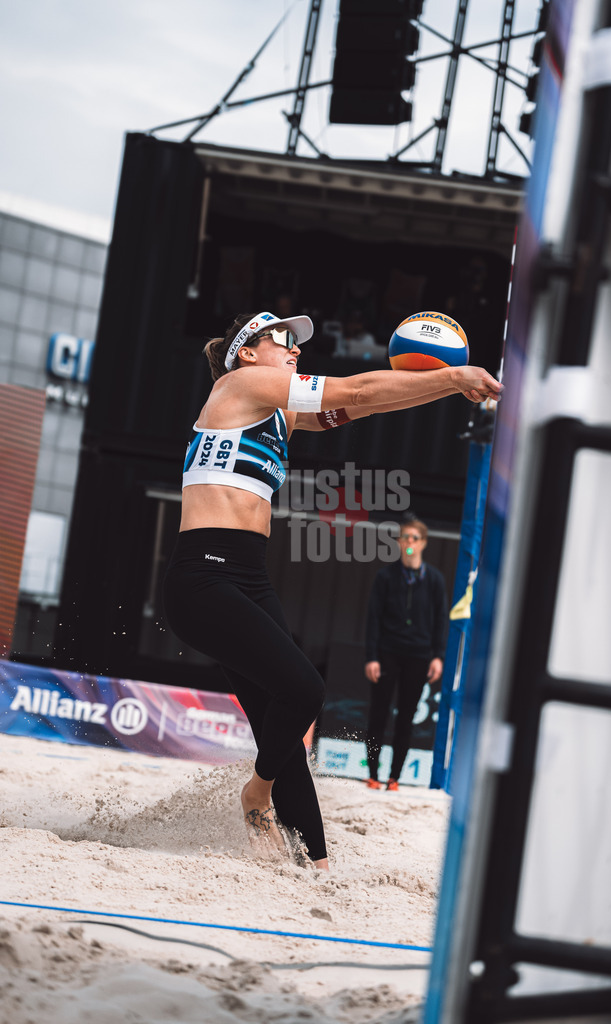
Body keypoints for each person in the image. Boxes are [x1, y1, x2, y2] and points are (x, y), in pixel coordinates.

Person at [162, 310, 502, 869]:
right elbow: (358, 384)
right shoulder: (242, 385)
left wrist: (444, 389)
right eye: (282, 340)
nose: (296, 349)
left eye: (297, 342)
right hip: (204, 576)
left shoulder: (279, 415)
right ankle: (255, 794)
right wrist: (451, 378)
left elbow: (365, 402)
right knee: (305, 690)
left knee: (283, 720)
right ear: (247, 352)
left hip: (247, 576)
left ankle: (314, 862)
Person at [364, 519, 448, 792]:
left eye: (414, 538)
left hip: (419, 655)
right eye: (404, 538)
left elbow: (440, 622)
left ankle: (394, 777)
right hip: (388, 652)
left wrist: (437, 656)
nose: (409, 543)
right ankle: (373, 774)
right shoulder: (385, 577)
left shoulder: (434, 579)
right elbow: (373, 619)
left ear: (423, 542)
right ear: (399, 543)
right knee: (378, 714)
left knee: (406, 718)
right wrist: (372, 657)